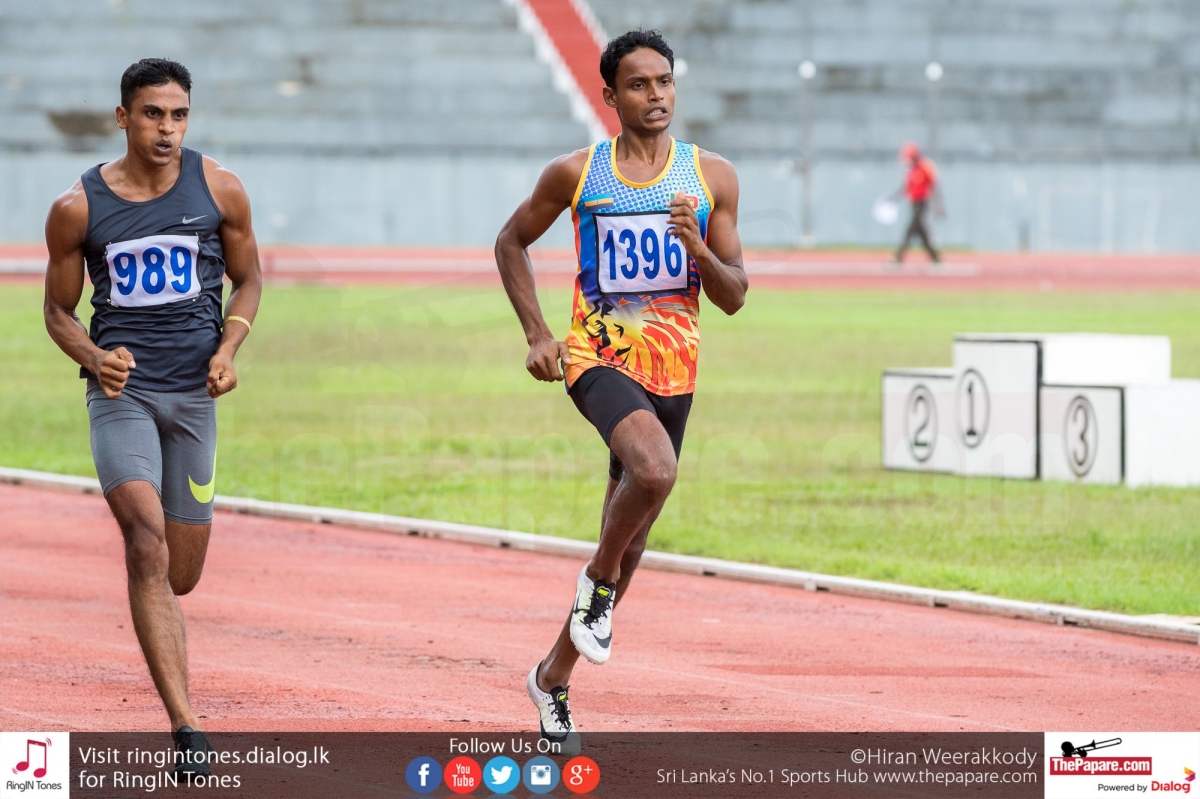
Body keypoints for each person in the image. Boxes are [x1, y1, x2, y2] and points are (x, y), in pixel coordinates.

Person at [495, 29, 747, 749]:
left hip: (676, 371)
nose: (656, 95)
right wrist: (538, 333)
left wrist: (697, 248)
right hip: (598, 356)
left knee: (632, 534)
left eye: (664, 81)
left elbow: (733, 296)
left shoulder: (712, 177)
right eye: (638, 84)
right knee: (654, 471)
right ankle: (596, 584)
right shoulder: (577, 174)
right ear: (610, 95)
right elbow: (510, 241)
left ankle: (551, 677)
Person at [43, 58, 262, 777]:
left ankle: (167, 638)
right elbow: (57, 310)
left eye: (179, 115)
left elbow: (249, 278)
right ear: (123, 117)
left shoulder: (220, 188)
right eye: (152, 114)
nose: (167, 130)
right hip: (123, 396)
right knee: (145, 543)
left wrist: (229, 348)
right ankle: (186, 725)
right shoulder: (78, 207)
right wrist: (93, 355)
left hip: (194, 398)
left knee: (182, 573)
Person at [891, 142, 943, 265]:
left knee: (910, 230)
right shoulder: (910, 170)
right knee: (922, 232)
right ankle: (935, 259)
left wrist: (939, 206)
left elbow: (934, 186)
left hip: (922, 203)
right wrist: (892, 199)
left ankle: (898, 258)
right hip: (913, 203)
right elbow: (906, 187)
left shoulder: (925, 167)